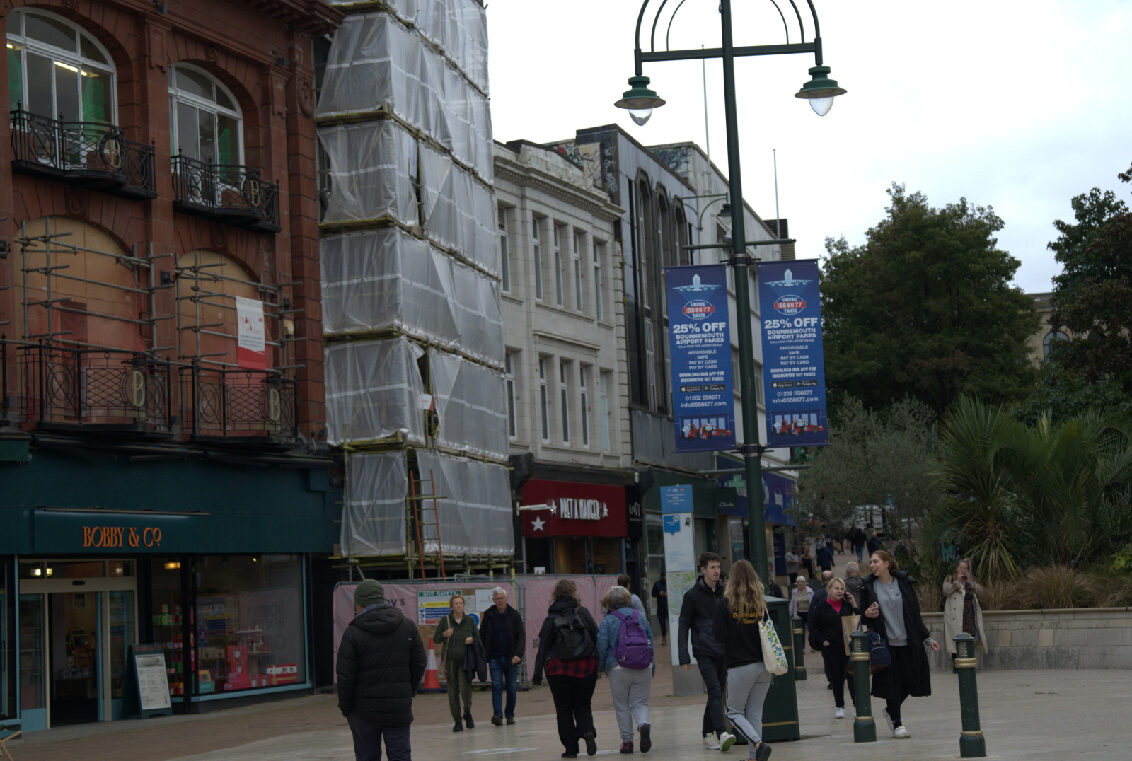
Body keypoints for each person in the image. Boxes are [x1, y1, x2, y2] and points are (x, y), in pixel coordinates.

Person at [336, 579, 426, 761]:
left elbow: (345, 675)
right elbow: (419, 663)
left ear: (359, 603)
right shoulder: (407, 626)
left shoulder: (353, 633)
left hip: (363, 710)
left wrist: (346, 707)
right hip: (397, 706)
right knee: (400, 755)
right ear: (382, 599)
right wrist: (408, 691)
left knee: (367, 756)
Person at [860, 551, 940, 738]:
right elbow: (862, 614)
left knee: (912, 679)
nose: (872, 565)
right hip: (885, 643)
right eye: (871, 562)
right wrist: (867, 614)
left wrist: (927, 638)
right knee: (892, 684)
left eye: (876, 561)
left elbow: (914, 612)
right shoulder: (868, 586)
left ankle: (889, 711)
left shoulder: (903, 583)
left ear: (887, 564)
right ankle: (897, 723)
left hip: (908, 641)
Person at [711, 559, 773, 761]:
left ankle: (758, 744)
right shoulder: (760, 604)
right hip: (763, 666)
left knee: (733, 712)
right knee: (755, 712)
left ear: (732, 580)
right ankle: (754, 757)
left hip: (739, 666)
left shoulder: (724, 605)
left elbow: (718, 635)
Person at [532, 578, 600, 758]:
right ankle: (587, 731)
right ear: (573, 592)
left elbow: (544, 646)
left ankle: (571, 749)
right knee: (583, 704)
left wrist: (537, 675)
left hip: (558, 670)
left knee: (563, 709)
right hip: (585, 668)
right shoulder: (583, 612)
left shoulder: (551, 617)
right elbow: (595, 636)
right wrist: (598, 665)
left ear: (555, 594)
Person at [678, 552, 735, 751]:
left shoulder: (726, 593)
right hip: (704, 651)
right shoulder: (692, 596)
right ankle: (721, 733)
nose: (716, 571)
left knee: (716, 694)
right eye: (712, 567)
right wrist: (683, 656)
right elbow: (683, 625)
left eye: (718, 567)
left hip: (724, 651)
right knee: (714, 690)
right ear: (703, 570)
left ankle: (707, 733)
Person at [597, 586, 655, 754]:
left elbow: (602, 644)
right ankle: (643, 724)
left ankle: (627, 742)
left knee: (622, 705)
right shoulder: (641, 617)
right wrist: (653, 666)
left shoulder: (608, 620)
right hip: (643, 665)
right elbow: (650, 639)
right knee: (640, 702)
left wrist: (601, 667)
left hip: (618, 666)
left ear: (609, 603)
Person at [808, 577, 858, 719]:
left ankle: (856, 706)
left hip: (848, 646)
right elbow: (813, 627)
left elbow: (859, 620)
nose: (839, 591)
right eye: (836, 588)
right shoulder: (821, 606)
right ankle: (839, 706)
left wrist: (854, 604)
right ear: (829, 589)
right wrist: (822, 641)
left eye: (842, 589)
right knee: (837, 678)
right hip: (831, 648)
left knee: (852, 677)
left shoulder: (847, 605)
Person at [433, 593, 480, 732]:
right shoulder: (445, 620)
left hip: (466, 661)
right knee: (452, 691)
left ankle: (467, 712)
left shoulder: (470, 620)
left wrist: (472, 640)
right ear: (451, 606)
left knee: (465, 690)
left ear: (463, 605)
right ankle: (457, 720)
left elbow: (478, 639)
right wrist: (444, 634)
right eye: (456, 604)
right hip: (450, 661)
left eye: (460, 603)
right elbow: (436, 639)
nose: (458, 606)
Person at [479, 586, 525, 726]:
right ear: (493, 600)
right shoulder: (488, 615)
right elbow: (483, 635)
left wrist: (518, 654)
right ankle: (497, 715)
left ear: (506, 598)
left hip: (512, 658)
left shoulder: (514, 615)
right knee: (496, 686)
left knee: (511, 688)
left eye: (501, 598)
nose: (499, 601)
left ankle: (510, 714)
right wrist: (484, 654)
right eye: (497, 599)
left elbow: (521, 637)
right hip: (495, 658)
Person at [942, 558, 988, 668]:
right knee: (956, 640)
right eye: (961, 567)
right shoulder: (950, 578)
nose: (963, 570)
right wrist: (957, 582)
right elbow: (945, 590)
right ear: (957, 568)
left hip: (969, 615)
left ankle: (968, 664)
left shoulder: (970, 580)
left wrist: (970, 582)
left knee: (969, 638)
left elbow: (981, 592)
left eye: (965, 568)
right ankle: (956, 665)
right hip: (955, 615)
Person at [788, 575, 813, 640]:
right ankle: (802, 648)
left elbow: (813, 602)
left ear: (804, 583)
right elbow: (792, 603)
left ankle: (813, 647)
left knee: (811, 630)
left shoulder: (810, 591)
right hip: (799, 613)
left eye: (801, 582)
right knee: (801, 631)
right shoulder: (795, 592)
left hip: (809, 612)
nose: (800, 583)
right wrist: (790, 614)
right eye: (798, 582)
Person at [651, 575, 669, 646]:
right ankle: (664, 638)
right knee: (662, 623)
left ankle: (675, 638)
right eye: (664, 576)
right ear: (661, 577)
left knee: (673, 623)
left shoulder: (669, 582)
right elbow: (653, 594)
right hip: (661, 607)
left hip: (669, 607)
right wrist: (659, 593)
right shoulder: (657, 584)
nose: (665, 578)